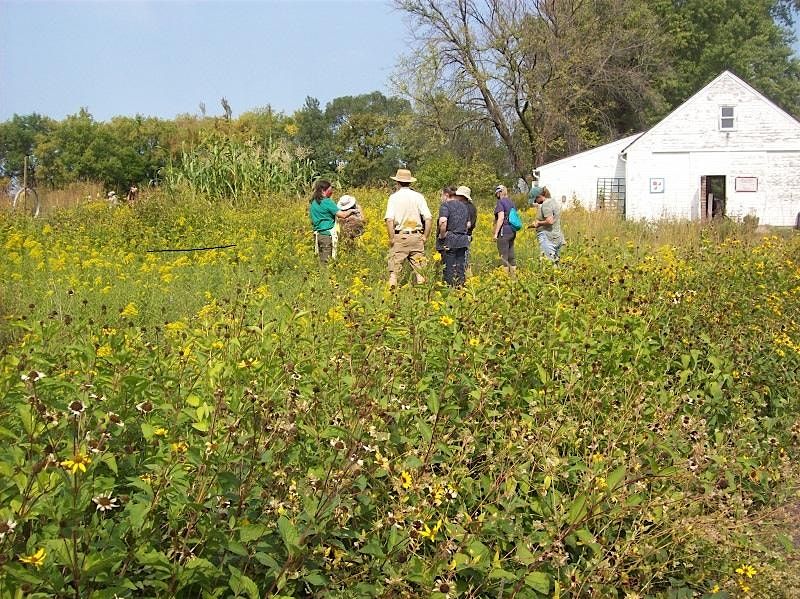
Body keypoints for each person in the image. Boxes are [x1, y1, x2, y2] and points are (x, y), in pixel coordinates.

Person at [384, 168, 432, 288]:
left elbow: (389, 220)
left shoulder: (394, 197)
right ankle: (422, 296)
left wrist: (391, 238)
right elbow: (428, 218)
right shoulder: (419, 197)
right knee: (420, 271)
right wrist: (425, 236)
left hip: (401, 236)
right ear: (410, 182)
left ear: (397, 182)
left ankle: (391, 295)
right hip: (417, 236)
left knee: (394, 272)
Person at [309, 179, 354, 264]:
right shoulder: (327, 202)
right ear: (323, 190)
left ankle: (322, 276)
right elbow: (342, 215)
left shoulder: (314, 203)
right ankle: (325, 277)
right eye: (330, 190)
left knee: (321, 260)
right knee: (327, 263)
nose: (332, 192)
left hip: (318, 235)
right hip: (327, 236)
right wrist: (352, 211)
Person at [437, 185, 472, 287]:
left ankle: (448, 290)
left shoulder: (445, 206)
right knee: (460, 267)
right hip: (462, 240)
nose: (441, 198)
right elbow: (468, 224)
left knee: (448, 268)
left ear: (446, 195)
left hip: (450, 240)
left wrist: (442, 235)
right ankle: (460, 289)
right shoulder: (464, 206)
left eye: (441, 195)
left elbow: (443, 221)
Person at [531, 187, 564, 263]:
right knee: (555, 264)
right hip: (557, 236)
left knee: (547, 264)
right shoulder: (553, 202)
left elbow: (550, 221)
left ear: (539, 196)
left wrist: (538, 223)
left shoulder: (546, 204)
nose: (535, 202)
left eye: (535, 199)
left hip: (547, 238)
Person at [492, 184, 517, 275]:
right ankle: (513, 278)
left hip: (504, 232)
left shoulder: (501, 203)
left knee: (503, 257)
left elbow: (501, 218)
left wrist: (495, 234)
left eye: (497, 194)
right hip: (512, 231)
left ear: (499, 193)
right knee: (511, 256)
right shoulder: (512, 203)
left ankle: (505, 279)